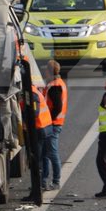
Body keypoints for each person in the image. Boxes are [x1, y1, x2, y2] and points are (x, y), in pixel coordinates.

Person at [41, 61, 67, 191]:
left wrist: (48, 120)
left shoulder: (55, 86)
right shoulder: (57, 83)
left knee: (52, 153)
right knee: (45, 153)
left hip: (52, 124)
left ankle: (56, 181)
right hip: (53, 123)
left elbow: (57, 107)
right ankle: (43, 181)